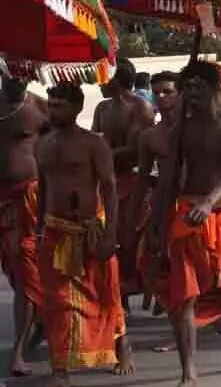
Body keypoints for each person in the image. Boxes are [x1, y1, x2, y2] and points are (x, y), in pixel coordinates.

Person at [149, 62, 221, 385]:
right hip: (187, 212)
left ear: (215, 88)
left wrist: (210, 202)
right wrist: (157, 225)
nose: (192, 95)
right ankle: (188, 371)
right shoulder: (180, 130)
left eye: (199, 88)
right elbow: (168, 182)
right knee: (182, 291)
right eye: (189, 88)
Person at [36, 82, 133, 385]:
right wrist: (39, 229)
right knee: (56, 301)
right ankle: (59, 367)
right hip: (55, 230)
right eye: (51, 105)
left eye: (60, 106)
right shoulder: (44, 143)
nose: (53, 111)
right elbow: (43, 190)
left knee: (105, 293)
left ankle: (122, 344)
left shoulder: (94, 143)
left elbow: (110, 189)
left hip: (89, 229)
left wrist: (110, 235)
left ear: (77, 108)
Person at [92, 57, 155, 303]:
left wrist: (97, 152)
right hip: (107, 180)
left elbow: (133, 149)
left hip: (133, 180)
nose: (98, 82)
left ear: (116, 79)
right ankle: (118, 297)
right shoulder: (102, 108)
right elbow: (98, 140)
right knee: (108, 239)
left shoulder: (140, 107)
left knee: (132, 241)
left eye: (102, 76)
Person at [0, 73, 46, 377]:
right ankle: (38, 323)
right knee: (17, 277)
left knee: (27, 275)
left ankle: (17, 352)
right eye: (10, 75)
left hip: (29, 200)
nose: (17, 81)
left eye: (22, 75)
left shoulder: (41, 109)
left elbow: (65, 146)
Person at [132, 71, 180, 317]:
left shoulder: (195, 129)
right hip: (163, 205)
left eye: (168, 91)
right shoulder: (150, 136)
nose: (161, 97)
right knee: (159, 260)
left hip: (194, 206)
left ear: (179, 93)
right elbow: (142, 177)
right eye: (157, 92)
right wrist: (132, 213)